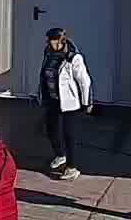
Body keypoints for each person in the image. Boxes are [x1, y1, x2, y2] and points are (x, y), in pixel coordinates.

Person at [38, 26, 92, 180]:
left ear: (62, 41)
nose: (50, 44)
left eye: (53, 41)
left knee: (69, 134)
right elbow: (44, 74)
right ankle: (60, 155)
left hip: (69, 102)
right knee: (51, 130)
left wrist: (86, 102)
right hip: (52, 99)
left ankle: (72, 167)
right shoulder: (48, 53)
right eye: (49, 41)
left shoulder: (73, 58)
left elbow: (84, 81)